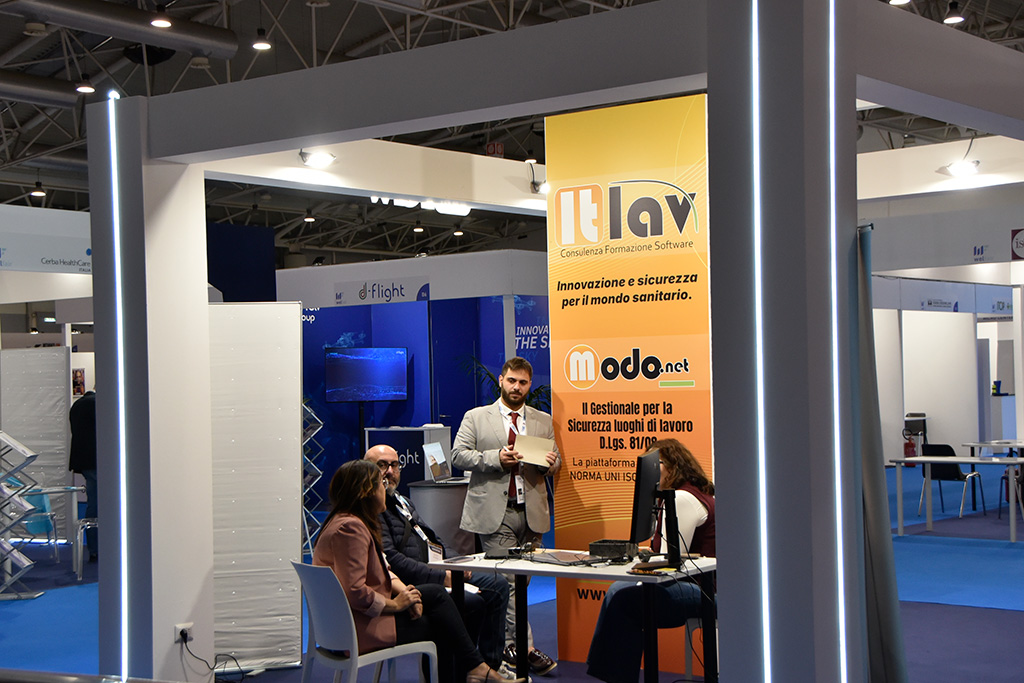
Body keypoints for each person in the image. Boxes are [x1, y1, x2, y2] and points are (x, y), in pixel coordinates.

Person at [313, 460, 521, 683]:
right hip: (361, 628)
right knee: (446, 621)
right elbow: (355, 591)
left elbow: (385, 567)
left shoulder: (344, 522)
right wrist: (396, 604)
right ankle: (474, 670)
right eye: (381, 483)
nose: (385, 487)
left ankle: (476, 669)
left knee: (437, 595)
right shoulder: (351, 529)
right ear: (366, 491)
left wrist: (408, 594)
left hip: (352, 623)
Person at [452, 357, 560, 676]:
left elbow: (556, 462)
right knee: (509, 581)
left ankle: (504, 645)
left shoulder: (542, 420)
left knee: (522, 583)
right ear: (501, 380)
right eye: (511, 381)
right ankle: (522, 648)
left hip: (531, 511)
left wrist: (549, 463)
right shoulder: (476, 417)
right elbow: (458, 455)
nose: (516, 387)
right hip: (494, 512)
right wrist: (495, 458)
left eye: (523, 382)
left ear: (529, 385)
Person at [364, 444, 512, 677]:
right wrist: (443, 576)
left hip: (436, 569)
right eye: (381, 465)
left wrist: (456, 562)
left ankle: (489, 666)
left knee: (498, 584)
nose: (389, 472)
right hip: (410, 581)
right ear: (367, 471)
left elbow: (431, 539)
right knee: (472, 603)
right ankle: (464, 671)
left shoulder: (403, 501)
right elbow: (392, 561)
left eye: (394, 465)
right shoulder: (373, 508)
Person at [585, 439, 716, 683]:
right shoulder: (683, 494)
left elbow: (670, 564)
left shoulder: (682, 498)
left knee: (623, 599)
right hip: (694, 584)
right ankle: (614, 676)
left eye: (659, 463)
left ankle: (614, 676)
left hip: (704, 591)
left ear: (674, 466)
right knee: (618, 591)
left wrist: (640, 570)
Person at [68, 390, 98, 561]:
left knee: (93, 504)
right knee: (104, 504)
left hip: (85, 463)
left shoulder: (76, 406)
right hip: (98, 461)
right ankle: (104, 548)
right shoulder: (97, 404)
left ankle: (94, 549)